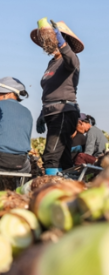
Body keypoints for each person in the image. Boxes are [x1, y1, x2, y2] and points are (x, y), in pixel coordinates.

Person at [31, 20, 83, 175]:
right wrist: (42, 114)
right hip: (52, 112)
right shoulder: (51, 63)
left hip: (63, 111)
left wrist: (60, 40)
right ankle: (69, 189)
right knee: (63, 156)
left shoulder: (69, 60)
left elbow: (72, 61)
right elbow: (49, 92)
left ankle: (51, 191)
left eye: (56, 39)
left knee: (51, 155)